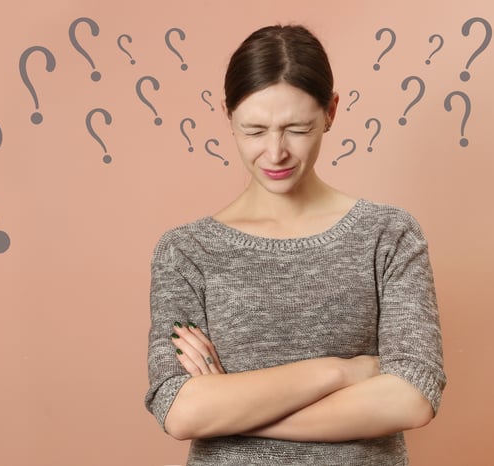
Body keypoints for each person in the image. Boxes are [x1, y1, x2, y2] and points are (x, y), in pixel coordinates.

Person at [145, 24, 446, 465]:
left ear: (331, 112)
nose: (275, 152)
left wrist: (231, 407)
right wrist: (339, 371)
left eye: (297, 128)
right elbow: (179, 409)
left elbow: (412, 397)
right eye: (254, 130)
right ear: (226, 114)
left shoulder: (388, 234)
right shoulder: (187, 250)